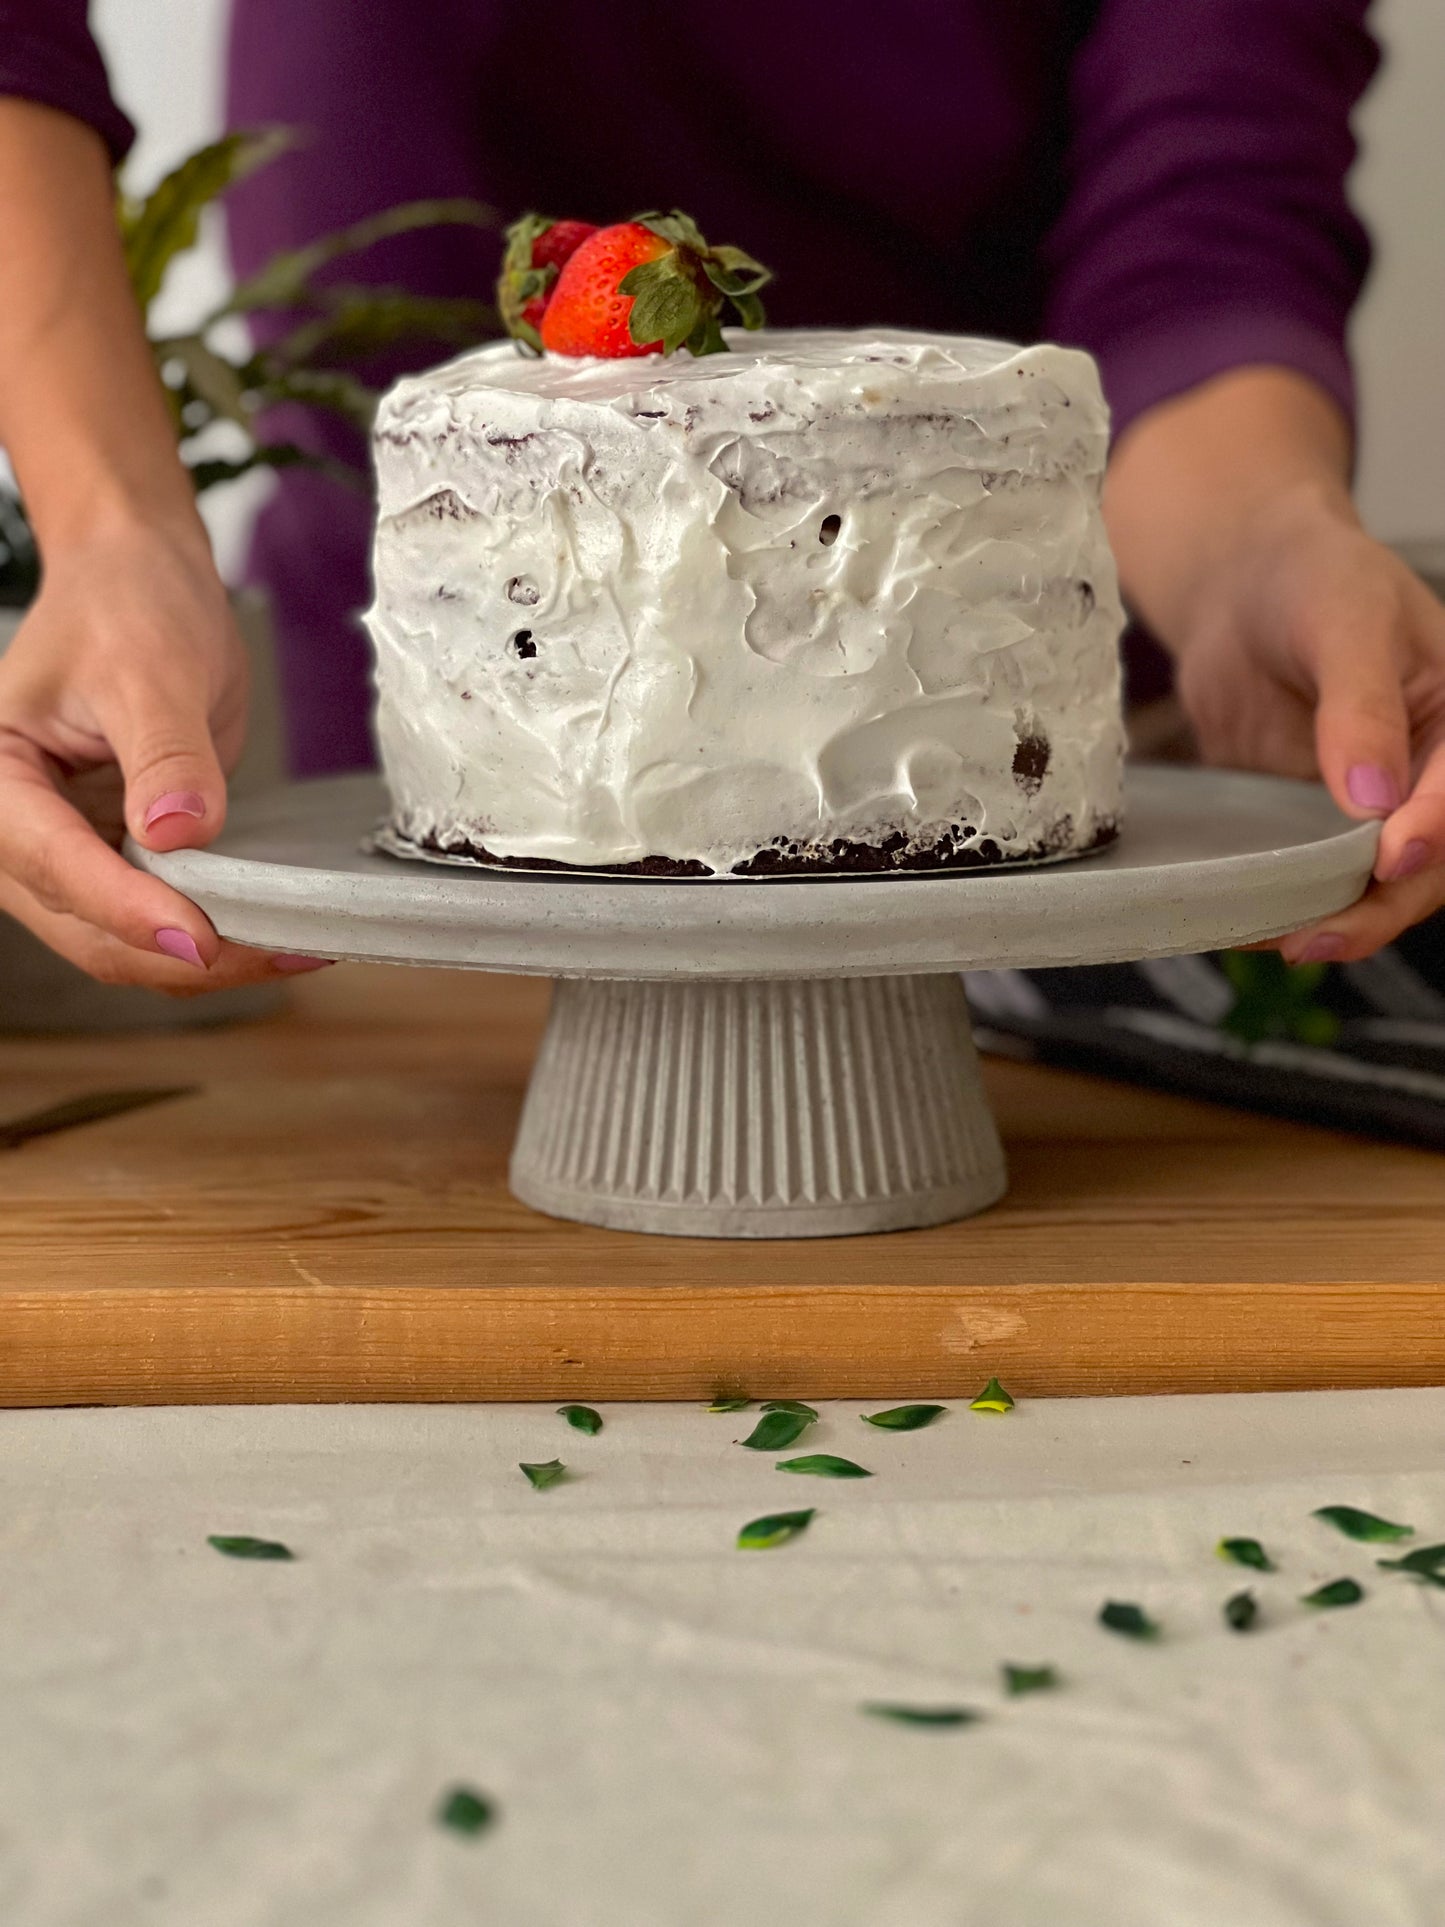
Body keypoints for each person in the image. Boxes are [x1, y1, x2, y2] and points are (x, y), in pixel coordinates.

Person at [1, 0, 1442, 998]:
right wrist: (109, 534)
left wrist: (1261, 538)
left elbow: (1207, 189)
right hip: (424, 760)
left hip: (992, 798)